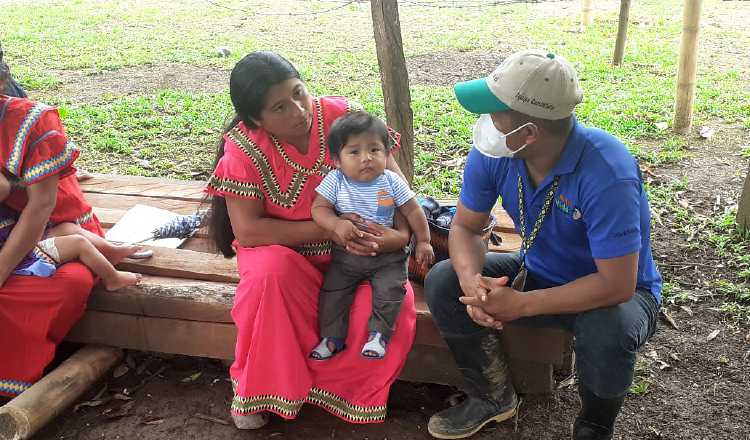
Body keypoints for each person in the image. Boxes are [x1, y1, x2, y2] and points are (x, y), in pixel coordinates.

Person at [424, 49, 661, 440]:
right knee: (444, 279)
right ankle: (493, 396)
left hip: (615, 293)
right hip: (539, 272)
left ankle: (594, 426)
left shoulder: (607, 171)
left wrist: (521, 304)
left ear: (529, 132)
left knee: (609, 327)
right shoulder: (499, 152)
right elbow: (465, 228)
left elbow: (617, 285)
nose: (487, 123)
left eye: (494, 113)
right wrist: (473, 283)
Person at [205, 51, 417, 429]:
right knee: (270, 276)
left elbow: (396, 188)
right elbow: (249, 232)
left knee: (386, 306)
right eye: (280, 108)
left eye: (299, 93)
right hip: (283, 256)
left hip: (359, 256)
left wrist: (397, 238)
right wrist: (330, 226)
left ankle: (334, 394)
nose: (299, 110)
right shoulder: (244, 148)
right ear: (257, 119)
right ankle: (259, 388)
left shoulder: (344, 119)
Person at [0, 58, 106, 399]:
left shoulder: (30, 120)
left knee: (69, 283)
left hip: (54, 226)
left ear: (1, 84)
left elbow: (41, 206)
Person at [309, 111, 433, 361]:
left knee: (391, 292)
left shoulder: (392, 181)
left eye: (374, 150)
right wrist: (334, 224)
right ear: (337, 160)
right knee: (333, 293)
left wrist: (423, 240)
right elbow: (318, 209)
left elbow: (413, 209)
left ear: (386, 154)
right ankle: (332, 338)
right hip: (347, 255)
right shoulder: (336, 181)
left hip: (388, 257)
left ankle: (379, 336)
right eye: (354, 152)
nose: (366, 158)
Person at [0, 175, 142, 291]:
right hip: (17, 258)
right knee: (78, 244)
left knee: (69, 228)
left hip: (22, 240)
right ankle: (112, 279)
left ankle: (111, 252)